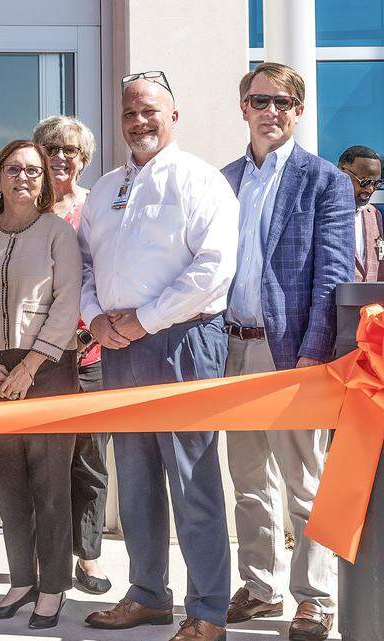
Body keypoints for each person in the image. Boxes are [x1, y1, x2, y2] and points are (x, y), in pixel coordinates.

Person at [80, 72, 238, 641]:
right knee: (138, 476)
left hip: (183, 343)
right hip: (121, 348)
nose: (139, 121)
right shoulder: (104, 189)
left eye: (150, 111)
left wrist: (141, 320)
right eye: (129, 113)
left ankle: (208, 610)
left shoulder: (201, 181)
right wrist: (96, 317)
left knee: (192, 479)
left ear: (175, 116)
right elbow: (87, 265)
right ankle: (148, 594)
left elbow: (213, 269)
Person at [221, 62, 354, 641]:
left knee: (304, 482)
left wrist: (313, 352)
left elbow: (331, 275)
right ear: (243, 108)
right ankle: (260, 584)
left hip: (292, 352)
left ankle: (317, 596)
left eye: (281, 101)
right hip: (232, 349)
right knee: (249, 479)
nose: (269, 111)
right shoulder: (223, 179)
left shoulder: (325, 180)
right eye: (259, 101)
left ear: (297, 109)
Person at [0, 140, 82, 630]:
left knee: (51, 485)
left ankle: (53, 586)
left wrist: (29, 367)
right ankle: (21, 581)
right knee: (10, 484)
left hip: (47, 370)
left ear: (45, 183)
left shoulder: (58, 232)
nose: (24, 178)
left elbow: (67, 304)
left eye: (34, 171)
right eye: (14, 168)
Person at [31, 114, 112, 595]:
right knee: (43, 461)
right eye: (52, 149)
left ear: (84, 161)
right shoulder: (25, 209)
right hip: (36, 358)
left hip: (89, 353)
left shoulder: (96, 208)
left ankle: (90, 555)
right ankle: (48, 552)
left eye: (72, 152)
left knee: (89, 459)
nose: (62, 159)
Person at [339, 145, 383, 281]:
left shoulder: (374, 215)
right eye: (365, 181)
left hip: (372, 300)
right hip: (336, 299)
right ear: (342, 172)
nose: (370, 189)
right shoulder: (322, 213)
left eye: (376, 183)